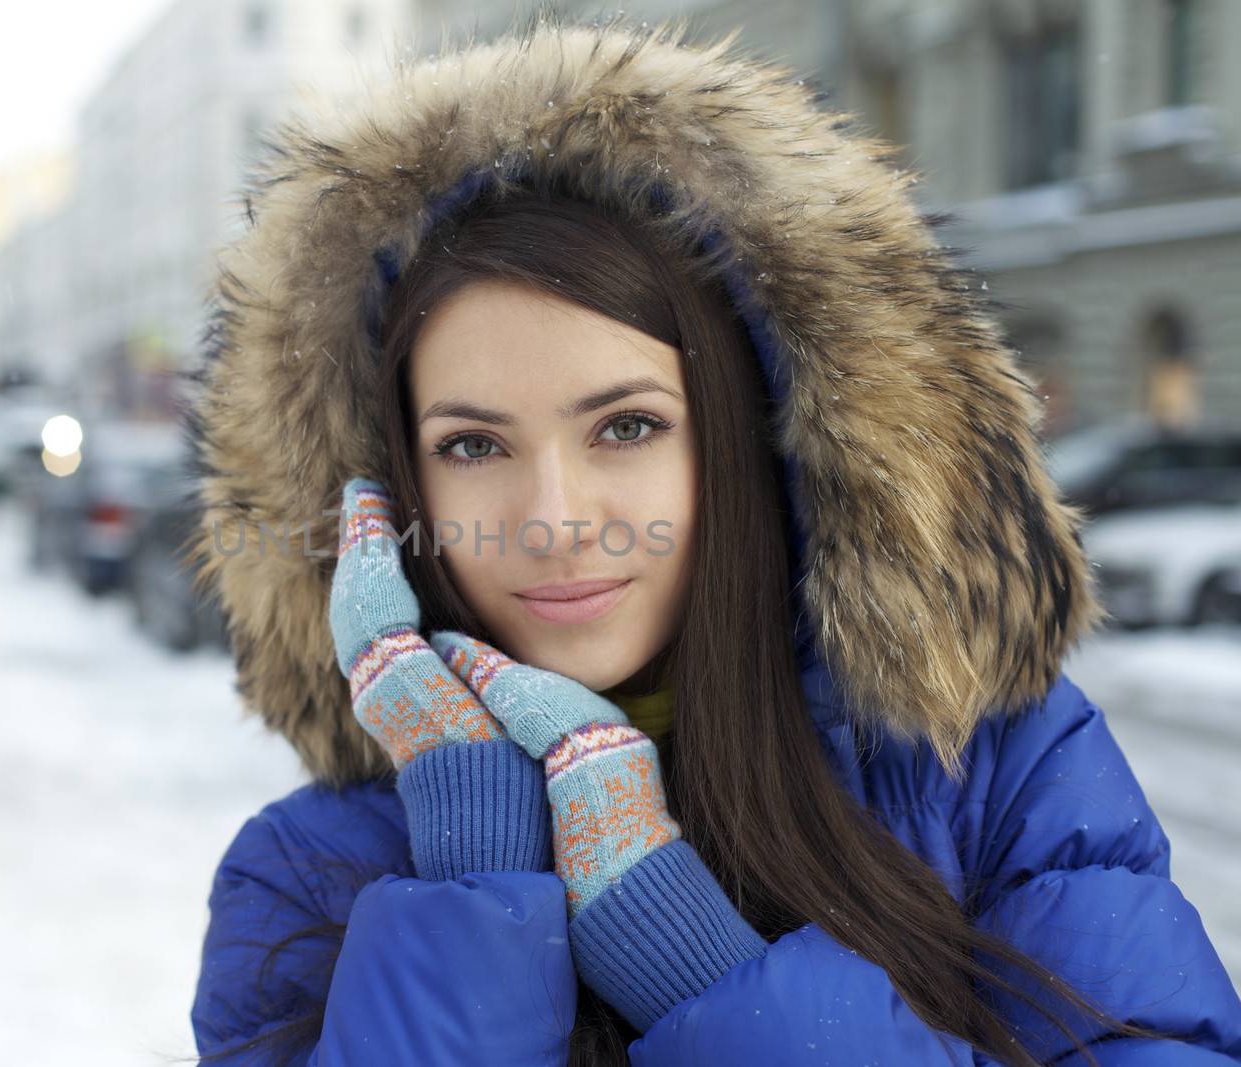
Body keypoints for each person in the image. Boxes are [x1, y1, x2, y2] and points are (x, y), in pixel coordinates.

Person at [181, 15, 1241, 1066]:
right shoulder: (302, 878)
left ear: (745, 438)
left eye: (627, 426)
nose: (553, 518)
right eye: (471, 445)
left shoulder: (992, 764)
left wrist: (689, 962)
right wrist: (472, 879)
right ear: (387, 492)